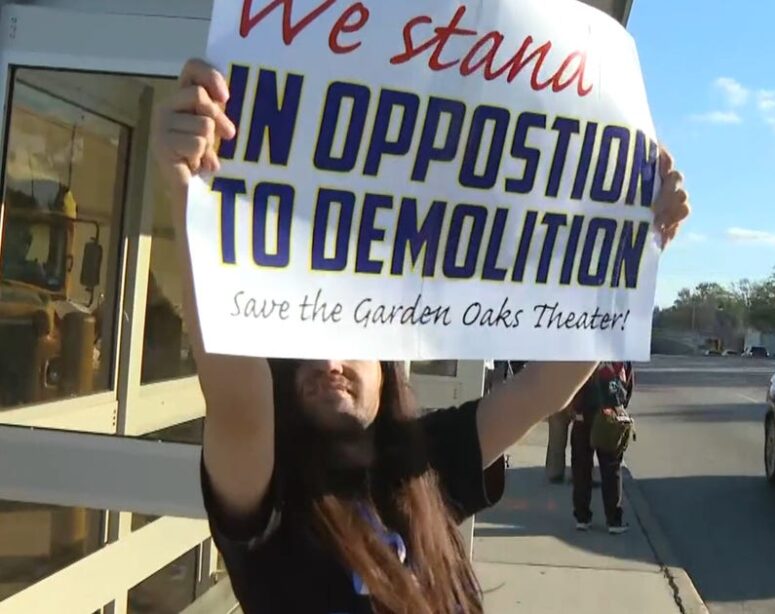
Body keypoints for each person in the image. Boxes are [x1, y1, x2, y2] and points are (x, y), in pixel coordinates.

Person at [151, 59, 690, 614]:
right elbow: (238, 399)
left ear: (387, 366)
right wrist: (189, 195)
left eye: (347, 335)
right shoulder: (269, 496)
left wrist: (633, 242)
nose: (327, 359)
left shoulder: (425, 460)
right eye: (297, 351)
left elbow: (543, 389)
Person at [571, 361, 635, 534]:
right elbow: (624, 383)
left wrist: (575, 408)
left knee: (581, 467)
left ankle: (582, 516)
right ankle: (613, 519)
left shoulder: (581, 351)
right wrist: (618, 404)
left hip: (582, 415)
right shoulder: (617, 356)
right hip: (608, 415)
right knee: (611, 467)